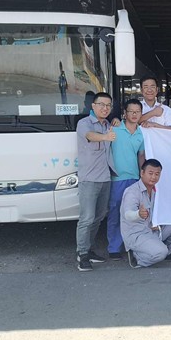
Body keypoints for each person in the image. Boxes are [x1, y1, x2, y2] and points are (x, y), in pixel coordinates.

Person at [75, 92, 117, 272]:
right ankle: (82, 254)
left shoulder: (108, 124)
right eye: (101, 104)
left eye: (108, 105)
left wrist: (116, 123)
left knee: (99, 217)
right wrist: (105, 137)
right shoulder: (84, 123)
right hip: (89, 180)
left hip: (105, 178)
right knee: (86, 218)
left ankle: (89, 249)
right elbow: (90, 136)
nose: (105, 108)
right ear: (93, 106)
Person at [121, 159, 171, 268]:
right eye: (150, 173)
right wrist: (138, 214)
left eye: (157, 174)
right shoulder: (132, 192)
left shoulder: (156, 190)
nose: (153, 177)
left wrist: (159, 223)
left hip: (153, 230)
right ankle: (138, 257)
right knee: (160, 252)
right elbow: (127, 215)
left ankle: (168, 252)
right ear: (142, 173)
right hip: (137, 234)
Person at [107, 99, 146, 260]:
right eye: (131, 111)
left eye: (138, 111)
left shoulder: (142, 133)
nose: (134, 114)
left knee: (134, 214)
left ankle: (133, 246)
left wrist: (142, 177)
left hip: (134, 179)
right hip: (117, 179)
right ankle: (114, 247)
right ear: (125, 113)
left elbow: (141, 156)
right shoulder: (114, 129)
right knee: (115, 213)